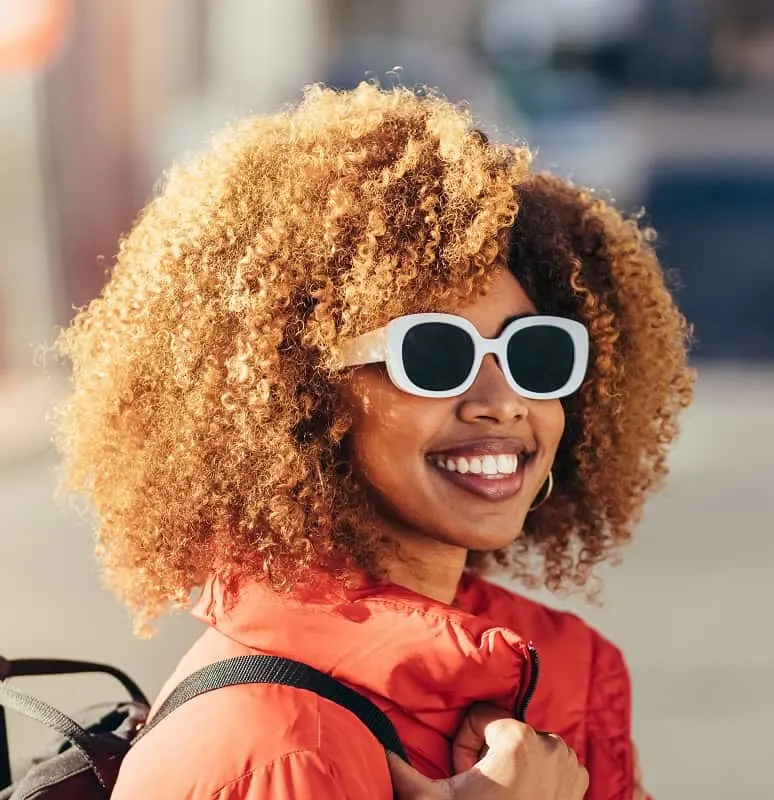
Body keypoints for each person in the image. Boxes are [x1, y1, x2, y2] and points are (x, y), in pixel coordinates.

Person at [52, 83, 693, 799]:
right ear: (299, 393)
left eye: (536, 353)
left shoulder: (572, 679)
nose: (501, 402)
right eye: (433, 356)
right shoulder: (268, 749)